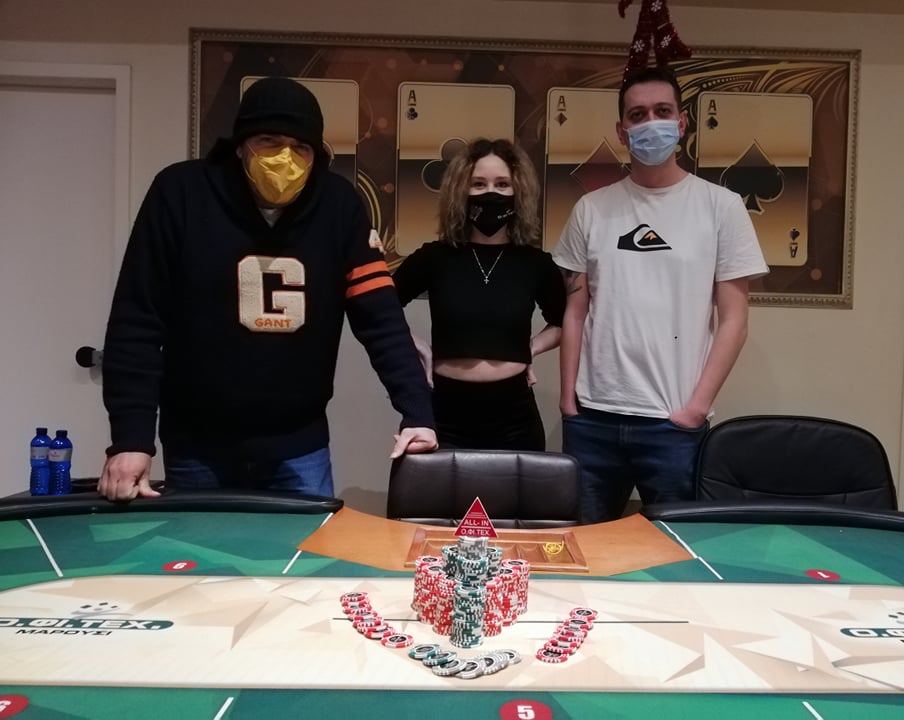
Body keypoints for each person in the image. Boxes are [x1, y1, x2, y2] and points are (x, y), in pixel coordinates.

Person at [98, 76, 437, 502]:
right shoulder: (180, 194)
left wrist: (418, 412)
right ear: (241, 145)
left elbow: (381, 318)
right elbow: (137, 321)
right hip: (196, 445)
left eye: (301, 147)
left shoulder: (339, 206)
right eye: (269, 140)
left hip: (299, 446)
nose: (285, 158)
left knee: (305, 549)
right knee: (199, 547)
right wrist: (131, 438)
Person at [553, 66, 768, 524]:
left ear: (682, 122)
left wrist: (695, 409)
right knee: (582, 550)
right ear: (621, 131)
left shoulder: (721, 207)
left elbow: (734, 320)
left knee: (676, 552)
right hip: (593, 420)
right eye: (638, 114)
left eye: (662, 111)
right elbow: (575, 310)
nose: (651, 123)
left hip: (673, 426)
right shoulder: (591, 209)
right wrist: (569, 403)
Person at [391, 138, 566, 450]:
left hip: (515, 418)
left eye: (502, 184)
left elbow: (564, 321)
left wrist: (530, 348)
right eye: (478, 184)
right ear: (461, 190)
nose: (490, 193)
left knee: (520, 487)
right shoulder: (434, 257)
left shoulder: (535, 263)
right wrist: (415, 345)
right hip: (445, 415)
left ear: (518, 192)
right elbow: (380, 308)